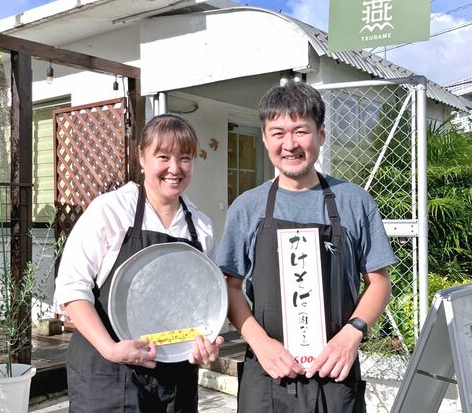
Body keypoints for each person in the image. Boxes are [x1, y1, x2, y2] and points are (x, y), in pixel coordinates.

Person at [216, 81, 397, 413]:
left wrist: (351, 335)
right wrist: (260, 342)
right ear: (265, 138)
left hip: (336, 373)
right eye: (278, 133)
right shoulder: (248, 207)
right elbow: (229, 286)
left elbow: (379, 281)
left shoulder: (354, 201)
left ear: (321, 135)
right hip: (268, 374)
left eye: (301, 131)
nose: (290, 144)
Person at [54, 113, 223, 413]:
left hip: (175, 377)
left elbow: (202, 302)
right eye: (163, 157)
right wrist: (110, 348)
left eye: (185, 158)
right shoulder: (110, 211)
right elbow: (71, 288)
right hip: (108, 372)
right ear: (142, 157)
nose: (175, 168)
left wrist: (203, 347)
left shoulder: (200, 225)